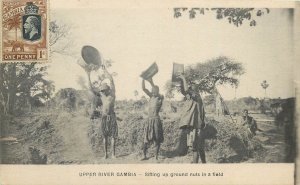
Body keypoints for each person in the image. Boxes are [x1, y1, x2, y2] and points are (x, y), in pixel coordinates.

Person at [87, 65, 118, 159]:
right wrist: (88, 74)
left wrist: (106, 71)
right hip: (104, 117)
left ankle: (113, 154)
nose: (103, 91)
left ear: (108, 89)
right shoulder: (101, 95)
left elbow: (111, 80)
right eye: (102, 90)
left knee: (113, 136)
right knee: (105, 137)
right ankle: (106, 155)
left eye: (104, 90)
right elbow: (91, 88)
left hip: (112, 117)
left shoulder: (112, 94)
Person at [177, 74, 206, 163]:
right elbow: (183, 90)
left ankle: (195, 166)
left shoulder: (196, 95)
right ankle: (204, 163)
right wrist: (181, 82)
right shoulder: (192, 97)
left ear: (195, 89)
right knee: (198, 147)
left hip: (196, 125)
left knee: (195, 148)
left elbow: (186, 90)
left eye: (191, 87)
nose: (189, 88)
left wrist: (183, 78)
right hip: (193, 125)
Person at [141, 78, 164, 160]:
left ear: (158, 91)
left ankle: (156, 157)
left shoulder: (160, 98)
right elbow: (144, 89)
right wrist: (143, 79)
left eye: (155, 91)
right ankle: (144, 155)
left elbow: (156, 91)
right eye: (152, 91)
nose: (153, 92)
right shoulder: (151, 97)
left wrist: (151, 82)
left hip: (156, 120)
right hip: (149, 120)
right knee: (146, 138)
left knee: (157, 139)